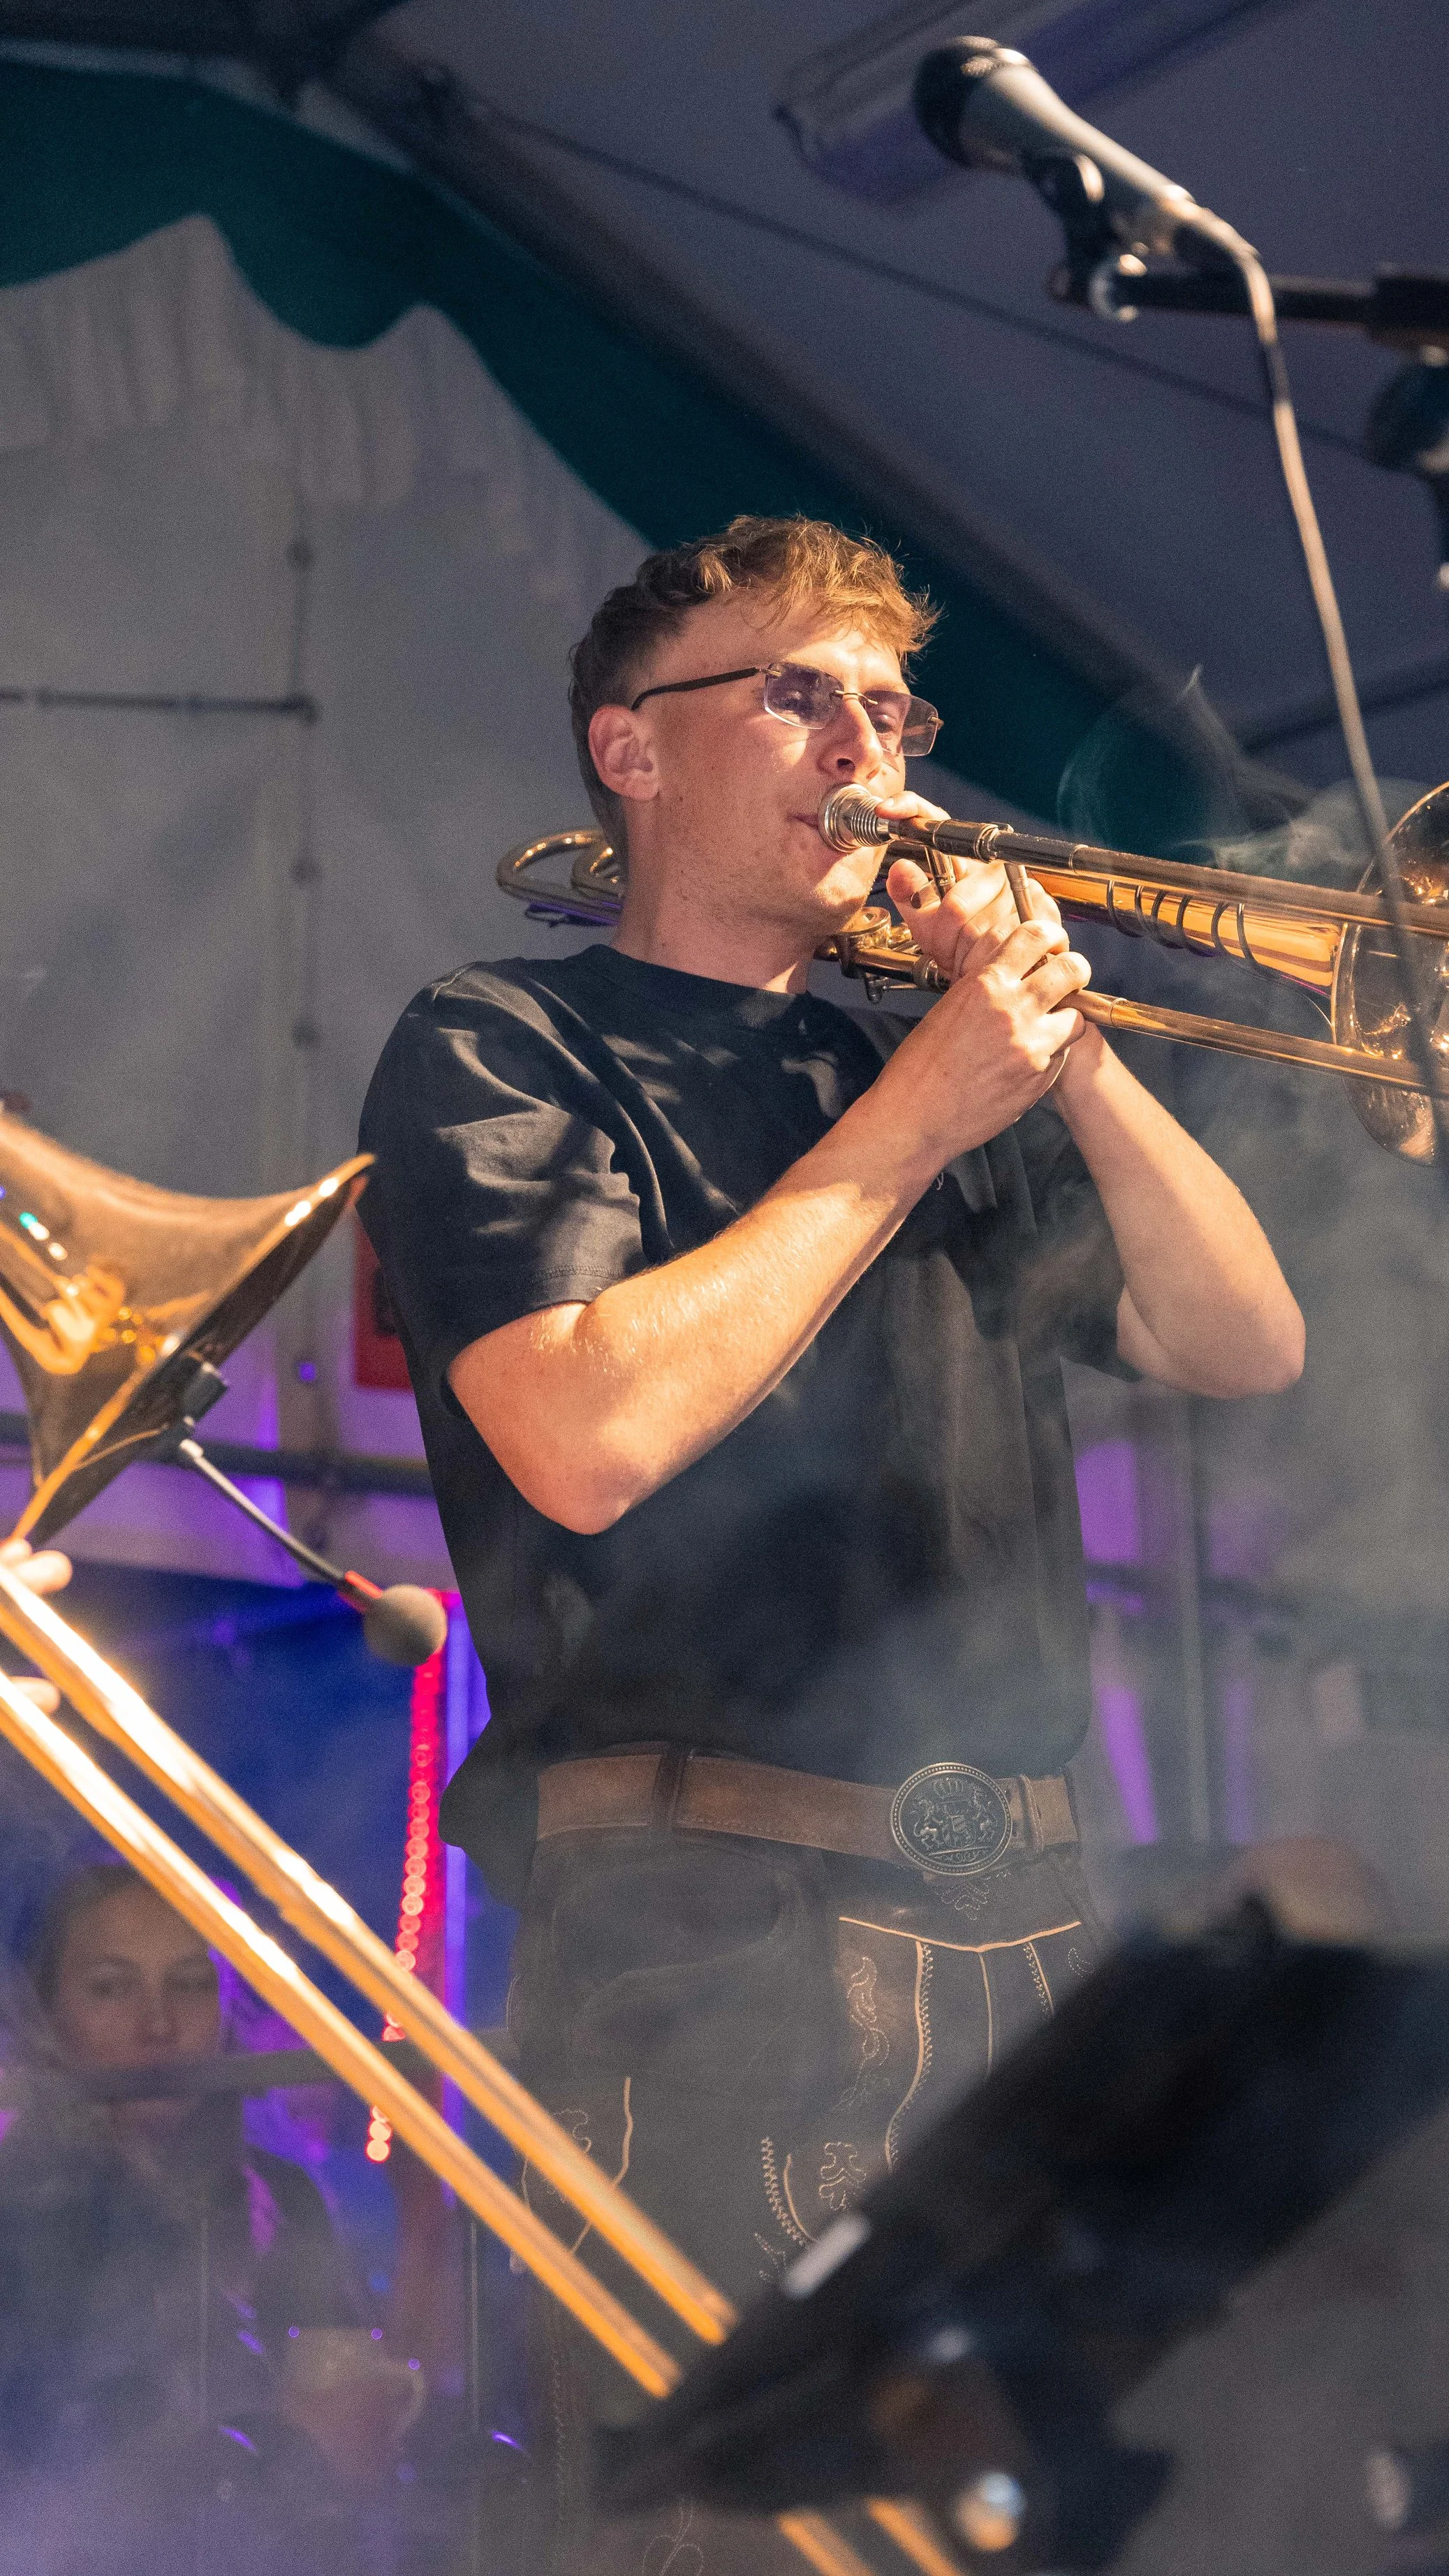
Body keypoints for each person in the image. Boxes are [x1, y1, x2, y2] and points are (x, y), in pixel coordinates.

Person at [357, 514, 1304, 2568]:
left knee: (1037, 2526)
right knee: (737, 2537)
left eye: (890, 705)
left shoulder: (925, 1065)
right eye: (794, 691)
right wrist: (922, 1117)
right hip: (713, 1935)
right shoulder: (511, 1038)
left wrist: (1067, 1049)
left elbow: (1241, 1338)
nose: (863, 749)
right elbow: (585, 1432)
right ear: (627, 748)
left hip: (1024, 1926)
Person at [0, 1858, 414, 2573]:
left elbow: (350, 2438)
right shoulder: (15, 2208)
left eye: (192, 1984)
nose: (158, 2024)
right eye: (110, 1988)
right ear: (49, 2015)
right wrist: (285, 2451)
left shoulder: (285, 2197)